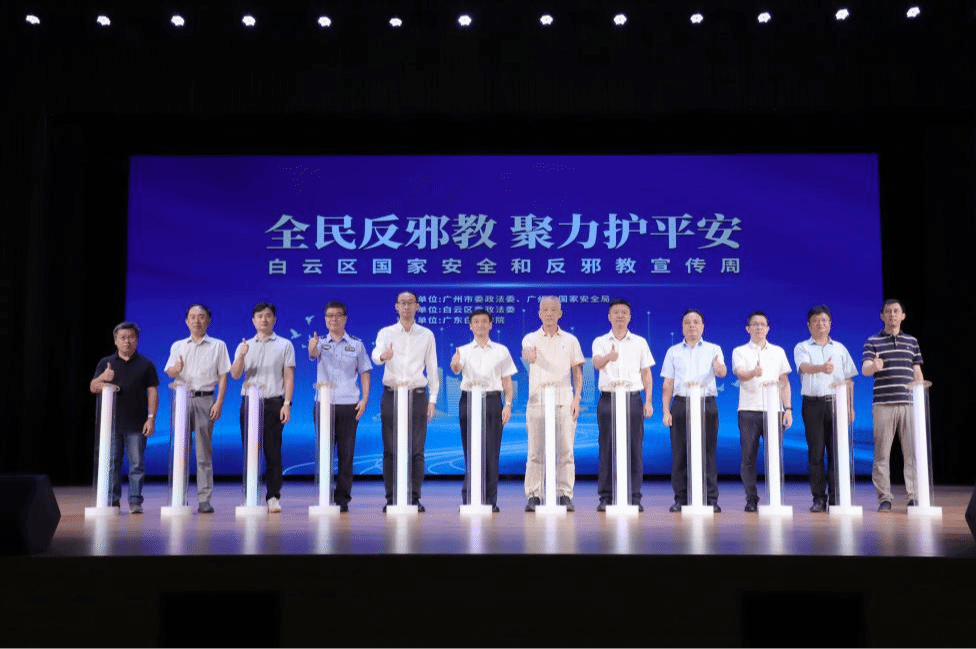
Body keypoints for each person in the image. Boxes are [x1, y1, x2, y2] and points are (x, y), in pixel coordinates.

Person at [371, 290, 439, 512]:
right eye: (403, 303)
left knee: (417, 449)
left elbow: (432, 367)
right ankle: (391, 498)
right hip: (392, 394)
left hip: (417, 395)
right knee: (390, 448)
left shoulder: (426, 334)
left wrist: (433, 398)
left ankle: (414, 498)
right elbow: (375, 355)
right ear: (396, 306)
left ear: (417, 306)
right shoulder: (386, 332)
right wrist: (383, 356)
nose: (407, 306)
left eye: (411, 303)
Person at [163, 304, 231, 514]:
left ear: (208, 320)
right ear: (186, 321)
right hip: (182, 399)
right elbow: (170, 371)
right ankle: (179, 497)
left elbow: (223, 376)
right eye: (192, 317)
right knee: (180, 452)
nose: (197, 321)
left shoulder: (218, 345)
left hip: (205, 399)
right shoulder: (178, 346)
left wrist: (219, 403)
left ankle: (204, 499)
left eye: (201, 317)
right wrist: (176, 369)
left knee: (203, 453)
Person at [521, 296, 585, 512]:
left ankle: (564, 494)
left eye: (553, 309)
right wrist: (529, 355)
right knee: (535, 451)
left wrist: (577, 398)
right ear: (539, 313)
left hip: (564, 400)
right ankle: (534, 495)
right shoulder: (530, 338)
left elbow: (577, 370)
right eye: (545, 310)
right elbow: (526, 353)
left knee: (566, 451)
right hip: (537, 400)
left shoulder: (571, 340)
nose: (549, 313)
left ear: (560, 313)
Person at [230, 302, 295, 513]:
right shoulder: (244, 345)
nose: (264, 319)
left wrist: (287, 404)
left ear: (274, 319)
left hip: (274, 402)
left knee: (273, 452)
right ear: (253, 320)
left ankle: (273, 497)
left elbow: (288, 376)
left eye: (268, 315)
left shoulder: (285, 344)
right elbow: (235, 374)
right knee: (250, 451)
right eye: (259, 316)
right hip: (250, 403)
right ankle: (250, 496)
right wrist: (241, 355)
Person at [450, 308, 517, 512]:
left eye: (484, 321)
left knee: (491, 452)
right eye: (476, 322)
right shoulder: (463, 350)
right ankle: (469, 499)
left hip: (492, 400)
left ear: (490, 325)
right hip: (469, 400)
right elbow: (456, 368)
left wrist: (508, 405)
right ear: (470, 326)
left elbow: (507, 381)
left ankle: (489, 500)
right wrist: (455, 364)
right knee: (471, 450)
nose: (480, 325)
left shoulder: (501, 350)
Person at [591, 299, 654, 512]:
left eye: (624, 312)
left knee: (634, 447)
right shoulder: (600, 341)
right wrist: (609, 357)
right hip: (608, 398)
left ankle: (634, 496)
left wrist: (648, 401)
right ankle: (606, 497)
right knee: (606, 447)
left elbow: (646, 373)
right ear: (609, 316)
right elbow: (597, 363)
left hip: (632, 398)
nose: (620, 315)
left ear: (630, 316)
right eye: (616, 312)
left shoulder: (640, 342)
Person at [89, 322, 160, 514]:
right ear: (115, 341)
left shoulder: (146, 364)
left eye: (131, 337)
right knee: (112, 464)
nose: (127, 341)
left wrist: (151, 418)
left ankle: (135, 501)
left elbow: (153, 393)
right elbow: (93, 387)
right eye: (123, 337)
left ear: (137, 340)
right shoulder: (106, 363)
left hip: (137, 424)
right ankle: (112, 501)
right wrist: (103, 377)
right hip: (111, 425)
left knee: (136, 465)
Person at [308, 300, 372, 513]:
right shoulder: (319, 342)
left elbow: (365, 372)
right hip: (324, 404)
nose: (333, 319)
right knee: (324, 451)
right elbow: (312, 355)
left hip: (348, 404)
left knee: (346, 453)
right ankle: (324, 495)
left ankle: (343, 497)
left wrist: (365, 399)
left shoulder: (356, 344)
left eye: (337, 315)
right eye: (329, 316)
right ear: (325, 319)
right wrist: (312, 346)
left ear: (345, 318)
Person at [660, 309, 726, 513]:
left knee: (708, 452)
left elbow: (723, 372)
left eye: (696, 322)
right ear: (682, 327)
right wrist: (666, 411)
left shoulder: (714, 349)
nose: (692, 325)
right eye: (687, 322)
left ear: (702, 326)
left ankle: (711, 499)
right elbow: (667, 384)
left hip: (706, 404)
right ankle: (681, 498)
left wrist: (718, 368)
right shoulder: (673, 351)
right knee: (680, 453)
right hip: (681, 404)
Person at [861, 298, 924, 512]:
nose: (892, 315)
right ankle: (884, 498)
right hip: (883, 404)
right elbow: (865, 369)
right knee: (881, 454)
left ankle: (914, 496)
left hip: (908, 404)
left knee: (912, 453)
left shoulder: (912, 341)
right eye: (888, 311)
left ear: (903, 316)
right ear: (882, 316)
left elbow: (917, 371)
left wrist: (920, 394)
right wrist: (874, 365)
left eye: (896, 311)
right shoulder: (872, 341)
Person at [793, 305, 857, 513]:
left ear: (830, 323)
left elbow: (849, 379)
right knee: (816, 452)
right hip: (813, 404)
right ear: (809, 325)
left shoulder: (840, 348)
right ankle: (819, 498)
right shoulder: (802, 347)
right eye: (816, 320)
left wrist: (850, 406)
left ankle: (837, 497)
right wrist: (822, 368)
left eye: (824, 320)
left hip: (837, 404)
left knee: (837, 452)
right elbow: (803, 367)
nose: (820, 324)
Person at [732, 311, 793, 512]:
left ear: (768, 328)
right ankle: (751, 498)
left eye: (762, 324)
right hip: (749, 410)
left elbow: (784, 382)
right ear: (747, 328)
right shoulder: (739, 351)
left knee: (774, 455)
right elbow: (740, 374)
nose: (759, 327)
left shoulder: (778, 351)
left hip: (774, 411)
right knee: (748, 456)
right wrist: (754, 373)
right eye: (755, 324)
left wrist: (788, 409)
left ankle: (775, 497)